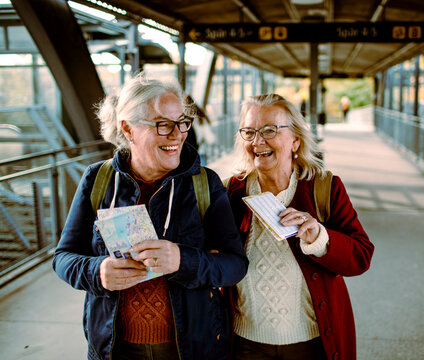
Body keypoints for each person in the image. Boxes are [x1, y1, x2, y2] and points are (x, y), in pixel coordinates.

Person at [53, 74, 248, 360]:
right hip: (114, 348)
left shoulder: (204, 184)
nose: (178, 134)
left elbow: (235, 264)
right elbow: (63, 257)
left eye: (182, 122)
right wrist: (97, 272)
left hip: (190, 348)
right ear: (128, 129)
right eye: (163, 125)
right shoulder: (98, 180)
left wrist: (183, 260)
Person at [224, 93, 374, 360]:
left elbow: (361, 257)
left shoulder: (324, 187)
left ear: (295, 140)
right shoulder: (230, 192)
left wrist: (320, 237)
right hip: (246, 344)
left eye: (269, 130)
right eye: (249, 132)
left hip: (311, 344)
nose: (258, 141)